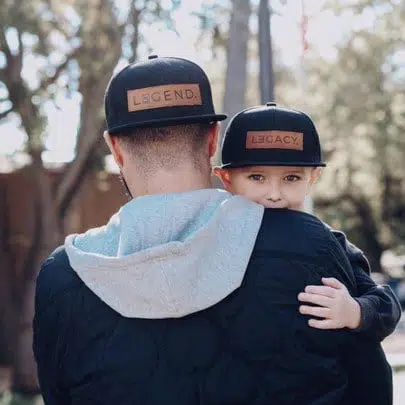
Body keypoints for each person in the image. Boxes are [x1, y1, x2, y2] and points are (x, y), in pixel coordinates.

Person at [33, 56, 395, 405]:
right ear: (212, 140)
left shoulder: (63, 278)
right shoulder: (309, 241)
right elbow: (371, 384)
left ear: (115, 148)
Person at [213, 102, 401, 403]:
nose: (274, 194)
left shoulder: (331, 243)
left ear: (312, 179)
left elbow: (385, 303)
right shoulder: (211, 236)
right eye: (256, 178)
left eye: (291, 178)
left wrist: (354, 311)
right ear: (226, 179)